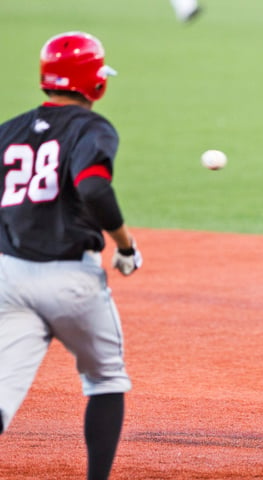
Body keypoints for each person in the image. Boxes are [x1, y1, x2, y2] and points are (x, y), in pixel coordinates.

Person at [0, 31, 143, 480]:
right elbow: (94, 187)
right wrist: (124, 244)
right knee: (105, 379)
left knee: (1, 397)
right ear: (95, 83)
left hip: (8, 274)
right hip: (69, 280)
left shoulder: (9, 130)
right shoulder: (91, 127)